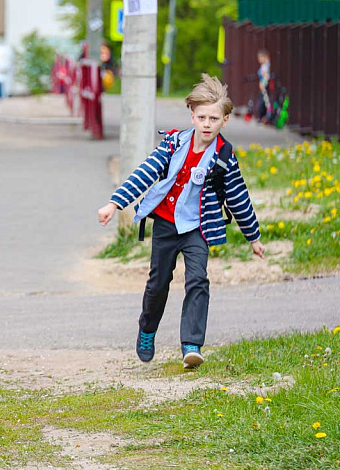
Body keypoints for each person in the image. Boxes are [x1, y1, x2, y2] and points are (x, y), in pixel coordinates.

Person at [97, 74, 265, 369]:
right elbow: (145, 173)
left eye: (214, 118)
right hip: (165, 222)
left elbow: (238, 196)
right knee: (158, 283)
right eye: (201, 117)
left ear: (225, 120)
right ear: (192, 115)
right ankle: (147, 329)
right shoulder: (174, 144)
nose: (207, 124)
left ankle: (191, 344)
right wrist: (115, 202)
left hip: (197, 228)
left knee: (198, 279)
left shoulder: (224, 156)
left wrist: (253, 236)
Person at [255, 49, 272, 123]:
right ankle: (263, 116)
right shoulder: (265, 65)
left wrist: (263, 84)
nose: (259, 60)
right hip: (264, 85)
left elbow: (265, 76)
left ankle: (262, 116)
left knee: (263, 101)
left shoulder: (265, 66)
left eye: (260, 58)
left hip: (264, 86)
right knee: (263, 101)